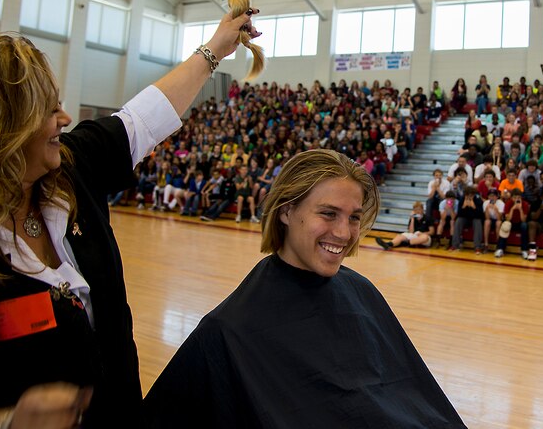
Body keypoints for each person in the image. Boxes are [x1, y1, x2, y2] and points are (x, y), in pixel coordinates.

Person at [0, 11, 255, 428]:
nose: (64, 117)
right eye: (48, 108)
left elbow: (144, 117)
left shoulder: (73, 167)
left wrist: (218, 45)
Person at [143, 149, 466, 428]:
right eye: (328, 214)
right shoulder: (226, 330)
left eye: (354, 217)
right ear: (286, 210)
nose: (344, 232)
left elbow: (411, 396)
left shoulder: (361, 291)